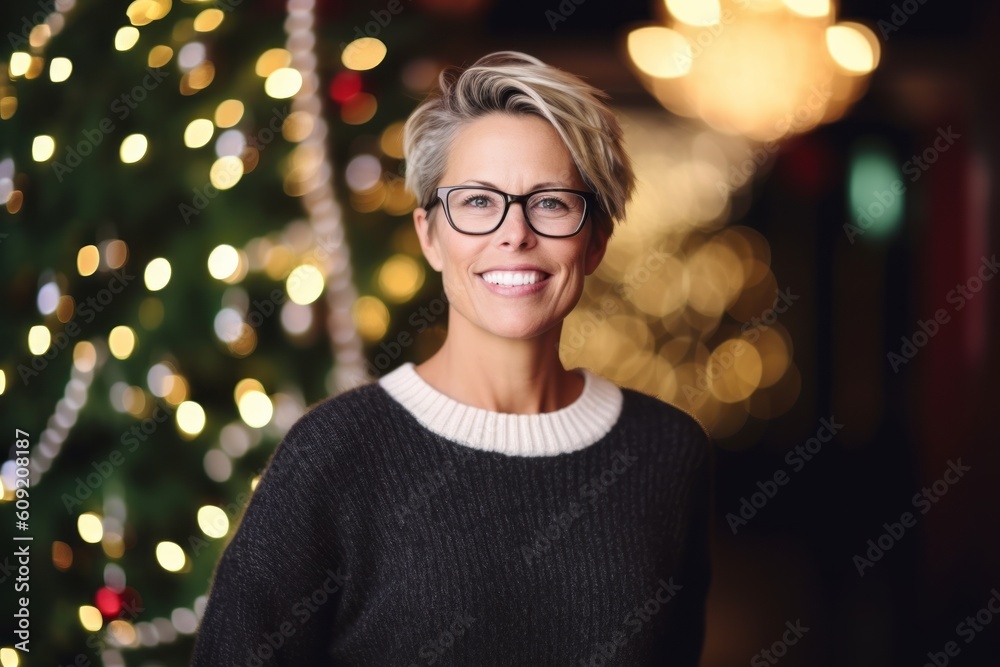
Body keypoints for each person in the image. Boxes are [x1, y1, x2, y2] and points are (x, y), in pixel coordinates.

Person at [191, 50, 714, 666]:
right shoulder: (334, 454)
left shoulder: (668, 451)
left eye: (550, 202)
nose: (514, 233)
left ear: (595, 239)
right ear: (429, 236)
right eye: (475, 202)